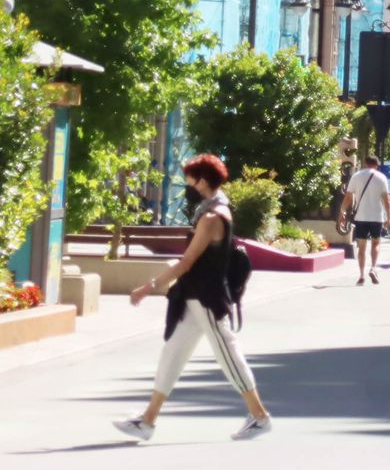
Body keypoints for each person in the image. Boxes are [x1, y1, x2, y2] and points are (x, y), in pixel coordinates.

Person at [112, 155, 274, 443]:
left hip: (207, 299)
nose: (189, 186)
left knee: (229, 356)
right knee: (172, 355)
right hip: (193, 298)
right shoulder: (212, 211)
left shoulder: (213, 218)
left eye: (191, 180)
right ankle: (147, 421)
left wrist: (149, 286)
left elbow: (187, 262)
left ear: (202, 180)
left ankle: (259, 416)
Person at [344, 153, 390, 285]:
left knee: (361, 247)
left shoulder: (356, 176)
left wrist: (342, 213)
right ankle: (373, 268)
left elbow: (348, 197)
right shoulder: (381, 177)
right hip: (376, 217)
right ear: (377, 165)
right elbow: (386, 200)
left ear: (365, 163)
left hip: (361, 216)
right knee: (376, 243)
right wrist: (388, 217)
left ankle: (361, 275)